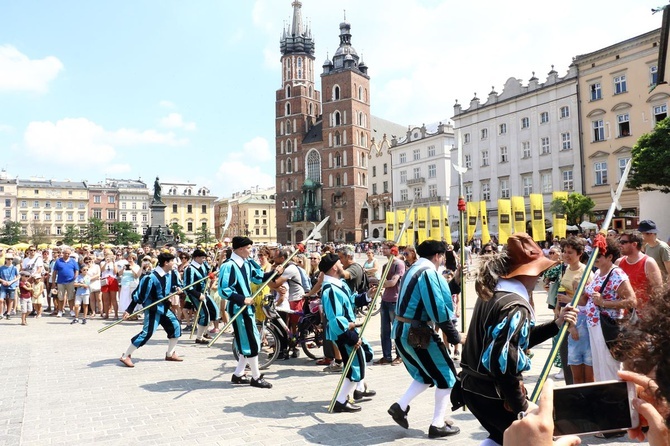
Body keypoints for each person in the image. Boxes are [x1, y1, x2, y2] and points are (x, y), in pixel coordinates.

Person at [460, 233, 578, 445]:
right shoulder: (514, 305)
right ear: (525, 272)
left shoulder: (494, 292)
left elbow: (513, 342)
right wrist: (521, 406)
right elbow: (503, 363)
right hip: (493, 393)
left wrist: (556, 323)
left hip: (472, 388)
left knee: (498, 438)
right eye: (538, 272)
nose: (539, 277)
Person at [388, 240, 461, 438]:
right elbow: (438, 307)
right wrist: (455, 336)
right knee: (447, 376)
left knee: (425, 375)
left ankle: (400, 407)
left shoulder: (415, 269)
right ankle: (437, 425)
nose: (444, 259)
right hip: (417, 332)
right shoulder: (428, 272)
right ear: (438, 256)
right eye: (443, 256)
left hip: (402, 330)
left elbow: (442, 291)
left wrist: (457, 281)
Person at [319, 253, 375, 412]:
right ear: (334, 267)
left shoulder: (339, 283)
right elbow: (335, 318)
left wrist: (367, 296)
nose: (343, 266)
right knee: (354, 365)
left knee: (362, 357)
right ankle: (341, 400)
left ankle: (357, 390)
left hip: (349, 329)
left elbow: (351, 300)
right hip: (343, 332)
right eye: (340, 264)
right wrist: (350, 337)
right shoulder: (330, 290)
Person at [218, 236, 273, 389]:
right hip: (238, 309)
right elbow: (224, 290)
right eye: (249, 248)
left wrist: (276, 272)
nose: (251, 251)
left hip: (247, 308)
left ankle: (238, 374)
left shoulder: (247, 263)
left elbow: (258, 278)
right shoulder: (228, 266)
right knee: (251, 341)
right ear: (240, 249)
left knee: (247, 341)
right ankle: (256, 377)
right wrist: (242, 299)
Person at [584, 236, 636, 382]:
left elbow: (632, 301)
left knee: (611, 369)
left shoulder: (616, 274)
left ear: (610, 256)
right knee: (600, 369)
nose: (595, 258)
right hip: (595, 326)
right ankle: (605, 399)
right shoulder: (597, 272)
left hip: (608, 327)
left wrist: (604, 302)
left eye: (599, 255)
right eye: (593, 254)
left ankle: (618, 401)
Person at [119, 252, 184, 367]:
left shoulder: (170, 273)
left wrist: (177, 289)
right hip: (153, 309)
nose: (174, 264)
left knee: (175, 326)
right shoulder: (150, 277)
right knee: (147, 333)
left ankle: (170, 353)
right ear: (166, 263)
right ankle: (126, 356)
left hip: (164, 307)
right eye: (172, 262)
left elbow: (173, 286)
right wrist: (129, 310)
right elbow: (138, 295)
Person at [375, 241, 405, 366]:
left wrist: (381, 283)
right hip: (385, 300)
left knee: (396, 330)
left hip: (395, 300)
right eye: (382, 248)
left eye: (385, 248)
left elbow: (392, 283)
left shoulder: (399, 264)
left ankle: (400, 355)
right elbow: (383, 282)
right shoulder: (386, 265)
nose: (383, 250)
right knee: (385, 331)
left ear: (392, 249)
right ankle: (386, 356)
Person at [617, 232, 663, 314]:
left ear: (634, 244)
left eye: (623, 242)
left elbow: (658, 291)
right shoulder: (619, 262)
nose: (620, 245)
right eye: (619, 242)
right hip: (623, 314)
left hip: (643, 315)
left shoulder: (648, 262)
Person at [184, 249, 219, 344]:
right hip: (195, 294)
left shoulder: (203, 265)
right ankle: (199, 337)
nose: (204, 259)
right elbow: (188, 286)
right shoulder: (189, 269)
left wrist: (214, 267)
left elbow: (211, 272)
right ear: (196, 258)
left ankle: (204, 332)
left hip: (205, 292)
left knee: (214, 310)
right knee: (204, 314)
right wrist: (198, 295)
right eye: (202, 258)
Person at [52, 248, 79, 318]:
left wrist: (75, 278)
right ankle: (60, 310)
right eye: (65, 253)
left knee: (71, 297)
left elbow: (76, 270)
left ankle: (71, 310)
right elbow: (54, 272)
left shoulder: (73, 261)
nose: (67, 255)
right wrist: (53, 282)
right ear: (63, 253)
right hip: (60, 281)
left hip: (70, 281)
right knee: (60, 297)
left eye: (68, 253)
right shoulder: (58, 261)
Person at [0, 254, 19, 319]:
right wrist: (3, 281)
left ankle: (8, 313)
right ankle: (1, 313)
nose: (10, 260)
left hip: (12, 285)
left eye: (11, 259)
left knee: (11, 299)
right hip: (3, 286)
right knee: (1, 300)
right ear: (5, 259)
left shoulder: (14, 268)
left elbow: (18, 276)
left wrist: (11, 282)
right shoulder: (1, 268)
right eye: (8, 259)